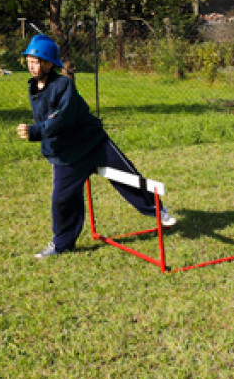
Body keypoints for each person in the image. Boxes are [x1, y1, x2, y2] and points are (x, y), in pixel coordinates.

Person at [15, 34, 176, 259]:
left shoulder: (64, 85)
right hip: (67, 155)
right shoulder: (34, 88)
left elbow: (63, 118)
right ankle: (62, 245)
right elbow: (48, 121)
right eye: (29, 61)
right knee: (62, 200)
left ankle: (158, 211)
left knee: (127, 176)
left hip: (93, 143)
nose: (31, 66)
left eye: (36, 61)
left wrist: (35, 132)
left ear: (49, 63)